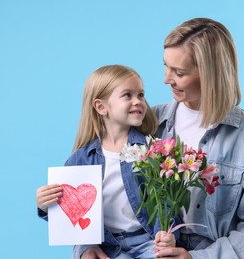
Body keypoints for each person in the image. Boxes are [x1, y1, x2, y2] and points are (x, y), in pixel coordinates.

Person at [152, 17, 244, 258]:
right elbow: (110, 185)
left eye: (179, 72)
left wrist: (198, 257)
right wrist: (85, 243)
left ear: (210, 74)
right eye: (165, 66)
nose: (166, 79)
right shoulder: (149, 123)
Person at [36, 65, 176, 259]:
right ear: (101, 107)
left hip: (149, 242)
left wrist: (167, 235)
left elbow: (164, 200)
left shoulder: (151, 150)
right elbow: (70, 213)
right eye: (127, 95)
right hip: (109, 247)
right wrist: (45, 206)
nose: (138, 101)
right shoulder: (81, 160)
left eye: (141, 95)